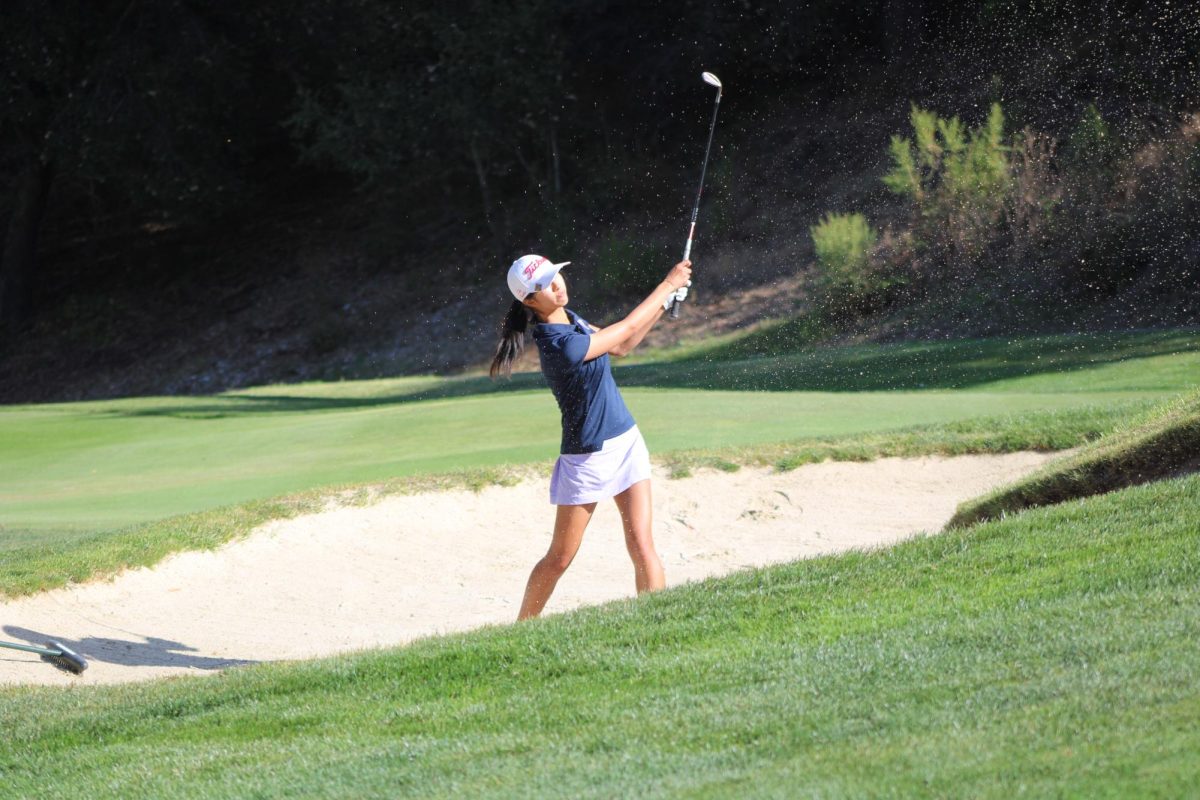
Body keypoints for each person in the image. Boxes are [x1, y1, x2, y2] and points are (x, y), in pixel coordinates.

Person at [490, 253, 692, 620]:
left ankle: (658, 624)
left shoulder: (572, 320)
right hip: (587, 459)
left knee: (642, 544)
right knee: (560, 558)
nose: (557, 286)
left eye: (557, 277)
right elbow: (627, 327)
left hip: (627, 441)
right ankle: (521, 627)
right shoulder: (558, 344)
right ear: (530, 301)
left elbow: (622, 345)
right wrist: (667, 286)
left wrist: (665, 302)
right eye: (546, 285)